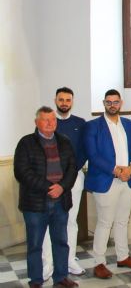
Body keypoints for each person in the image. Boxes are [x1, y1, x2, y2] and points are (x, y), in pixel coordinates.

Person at [14, 106, 78, 288]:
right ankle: (35, 280)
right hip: (35, 204)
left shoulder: (64, 142)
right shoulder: (26, 143)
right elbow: (22, 172)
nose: (50, 123)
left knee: (61, 242)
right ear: (37, 122)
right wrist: (49, 188)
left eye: (53, 120)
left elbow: (72, 168)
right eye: (46, 120)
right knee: (35, 244)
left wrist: (62, 187)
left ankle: (61, 277)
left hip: (61, 201)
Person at [83, 89, 131, 279]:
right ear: (103, 103)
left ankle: (123, 256)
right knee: (104, 222)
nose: (112, 105)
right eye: (108, 102)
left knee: (122, 221)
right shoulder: (93, 126)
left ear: (121, 103)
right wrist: (117, 170)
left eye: (115, 102)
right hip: (106, 180)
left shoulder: (129, 124)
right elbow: (93, 155)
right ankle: (99, 262)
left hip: (128, 180)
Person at [41, 87, 87, 277]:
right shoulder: (47, 122)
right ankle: (48, 263)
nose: (64, 103)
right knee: (49, 220)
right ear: (55, 100)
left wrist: (70, 173)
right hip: (50, 181)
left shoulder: (80, 123)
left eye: (68, 100)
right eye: (61, 99)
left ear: (72, 101)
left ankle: (69, 260)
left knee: (70, 221)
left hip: (74, 178)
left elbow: (84, 151)